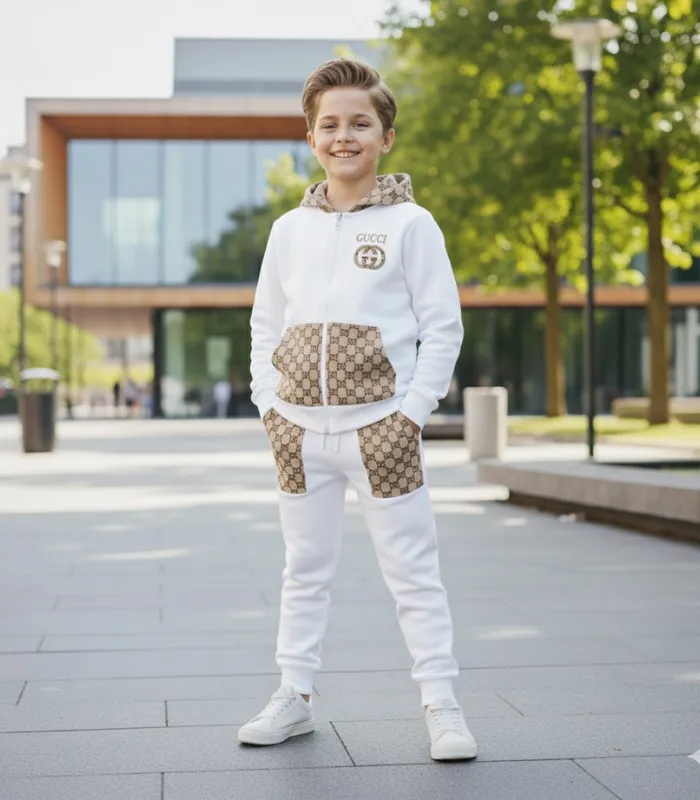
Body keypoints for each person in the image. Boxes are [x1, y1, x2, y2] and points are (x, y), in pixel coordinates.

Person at [241, 59, 476, 762]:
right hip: (299, 434)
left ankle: (442, 704)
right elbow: (264, 326)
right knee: (303, 570)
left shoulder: (412, 225)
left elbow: (443, 328)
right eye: (330, 125)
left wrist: (409, 417)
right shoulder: (289, 230)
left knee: (413, 572)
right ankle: (294, 695)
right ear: (312, 138)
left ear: (386, 137)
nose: (344, 136)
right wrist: (270, 409)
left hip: (382, 431)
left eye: (360, 123)